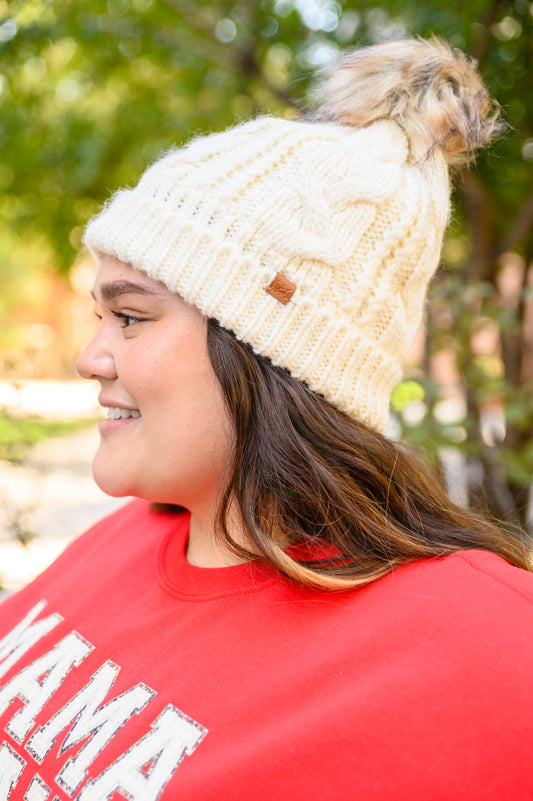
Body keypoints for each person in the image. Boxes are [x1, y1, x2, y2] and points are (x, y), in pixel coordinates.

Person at [0, 37, 532, 801]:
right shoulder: (134, 531)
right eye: (98, 314)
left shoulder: (484, 645)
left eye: (129, 317)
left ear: (267, 350)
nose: (89, 357)